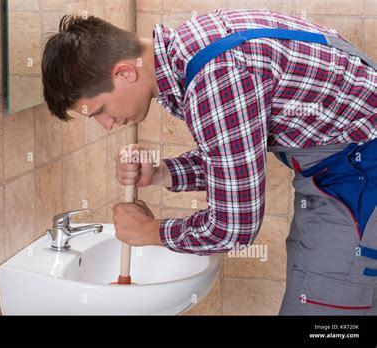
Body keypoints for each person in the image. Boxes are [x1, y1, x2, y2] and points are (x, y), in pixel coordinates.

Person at [41, 9, 376, 315]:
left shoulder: (215, 75)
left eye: (99, 110)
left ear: (125, 73)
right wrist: (162, 173)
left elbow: (236, 227)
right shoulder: (194, 49)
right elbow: (233, 158)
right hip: (342, 169)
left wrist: (151, 231)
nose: (107, 124)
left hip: (360, 175)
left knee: (322, 315)